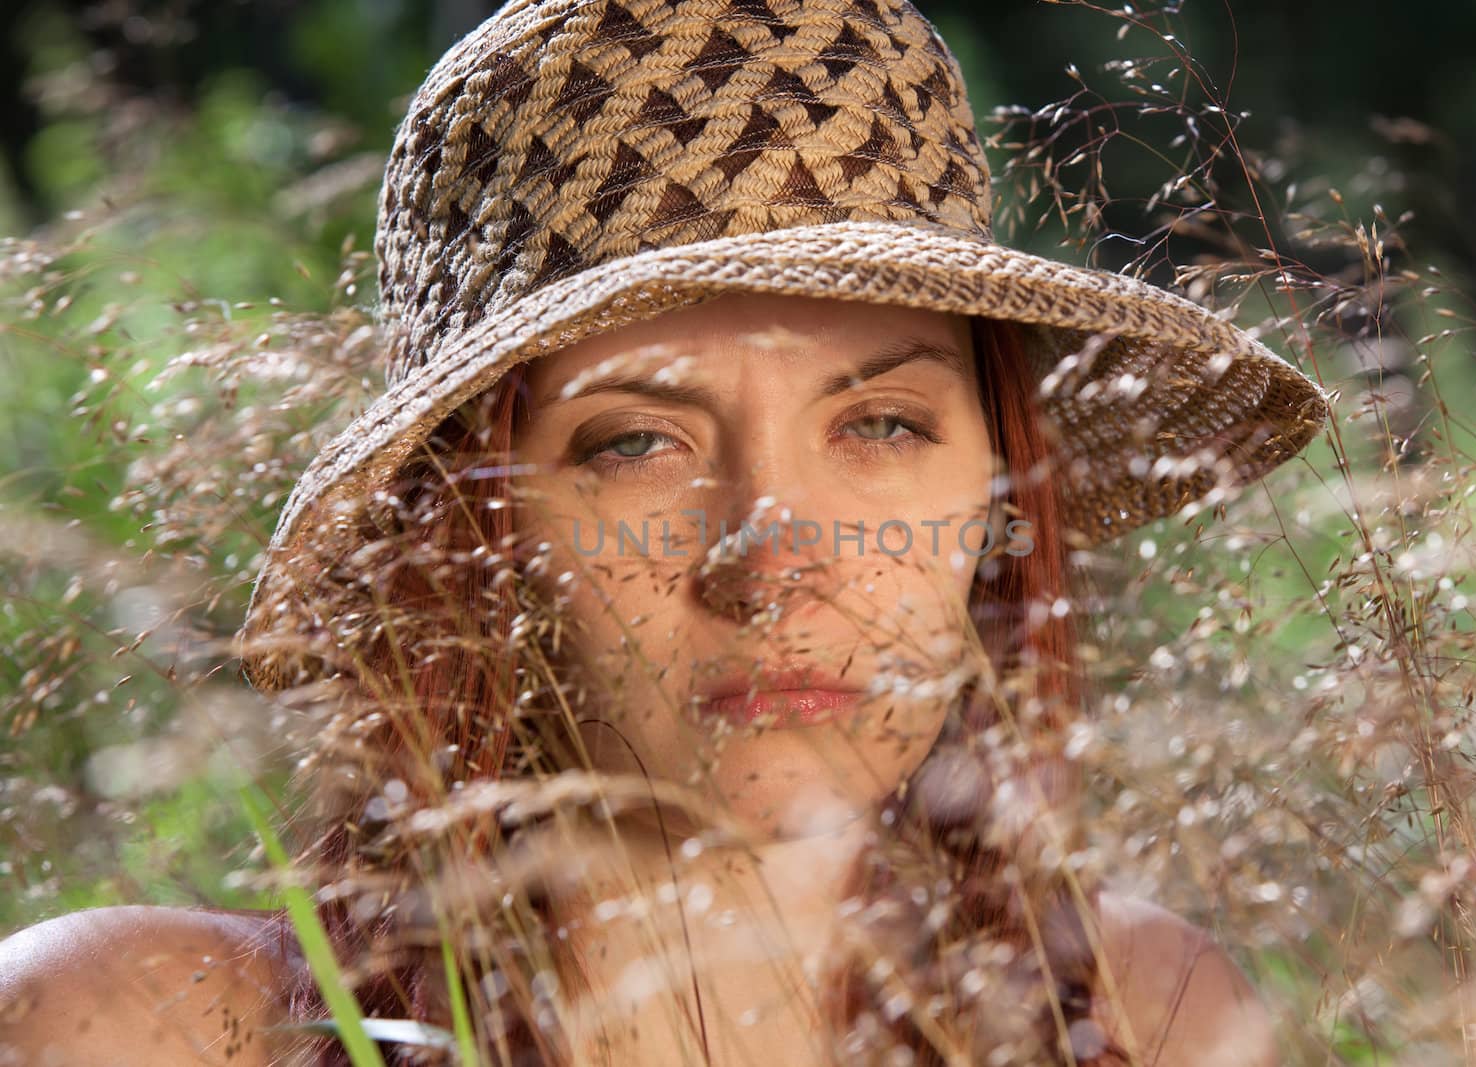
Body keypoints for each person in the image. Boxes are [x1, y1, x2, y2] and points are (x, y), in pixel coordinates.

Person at [0, 0, 1329, 1063]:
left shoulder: (1151, 1020)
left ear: (996, 487)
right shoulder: (143, 1030)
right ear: (462, 533)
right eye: (637, 441)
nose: (773, 563)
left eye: (881, 426)